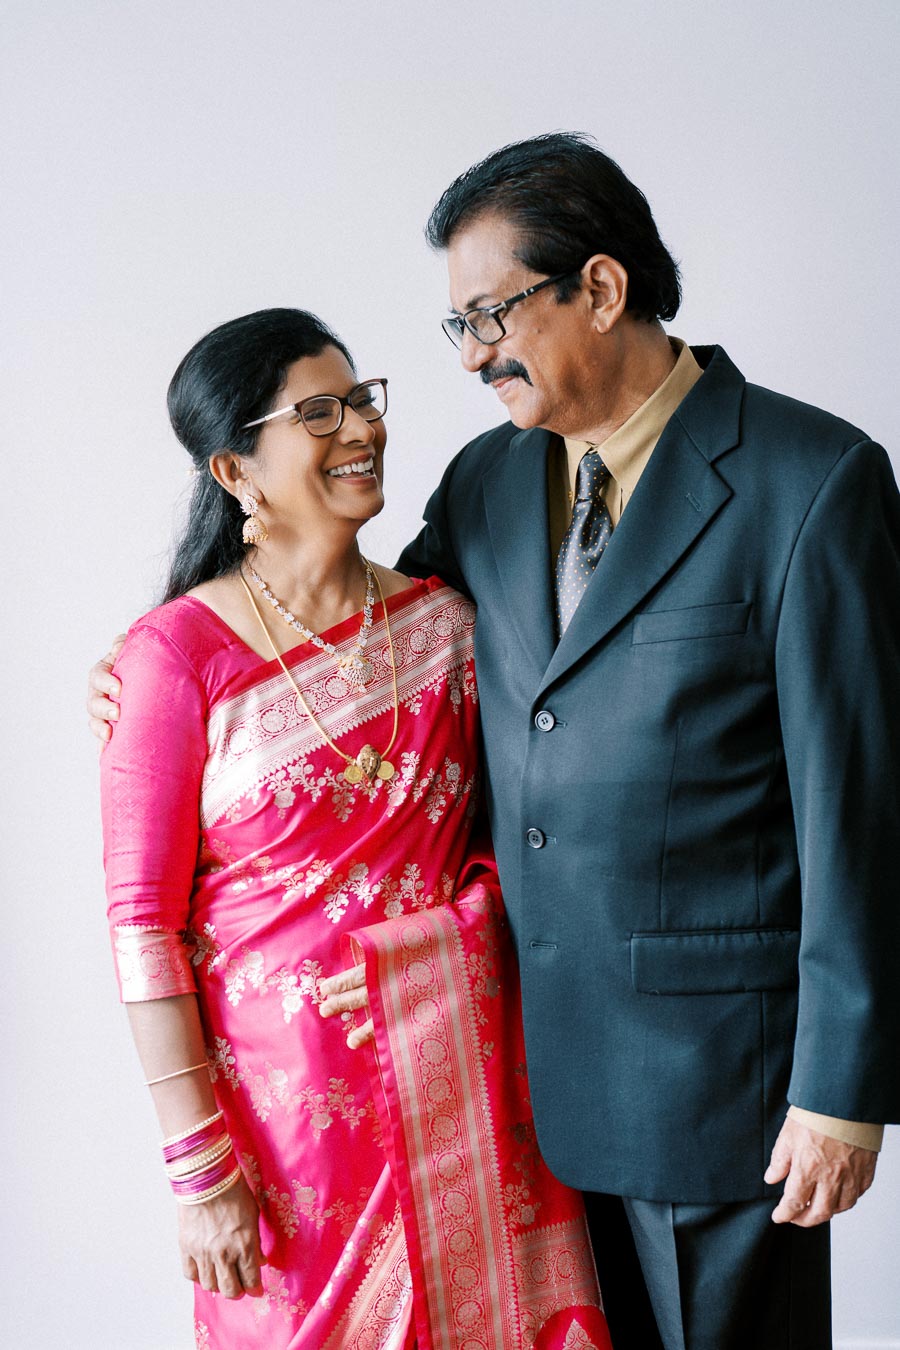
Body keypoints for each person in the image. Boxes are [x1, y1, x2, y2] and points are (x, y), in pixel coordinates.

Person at [88, 135, 900, 1349]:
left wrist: (842, 1090)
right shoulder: (489, 481)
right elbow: (368, 645)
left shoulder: (809, 480)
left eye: (489, 316)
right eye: (456, 327)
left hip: (723, 1088)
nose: (470, 356)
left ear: (602, 289)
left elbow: (862, 805)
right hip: (515, 1096)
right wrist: (155, 661)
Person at [96, 307, 611, 1349]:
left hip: (465, 1089)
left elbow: (527, 842)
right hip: (285, 1142)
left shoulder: (448, 627)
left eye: (362, 400)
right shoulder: (174, 658)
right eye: (318, 413)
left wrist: (444, 946)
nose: (363, 429)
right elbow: (143, 927)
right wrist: (198, 1168)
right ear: (235, 472)